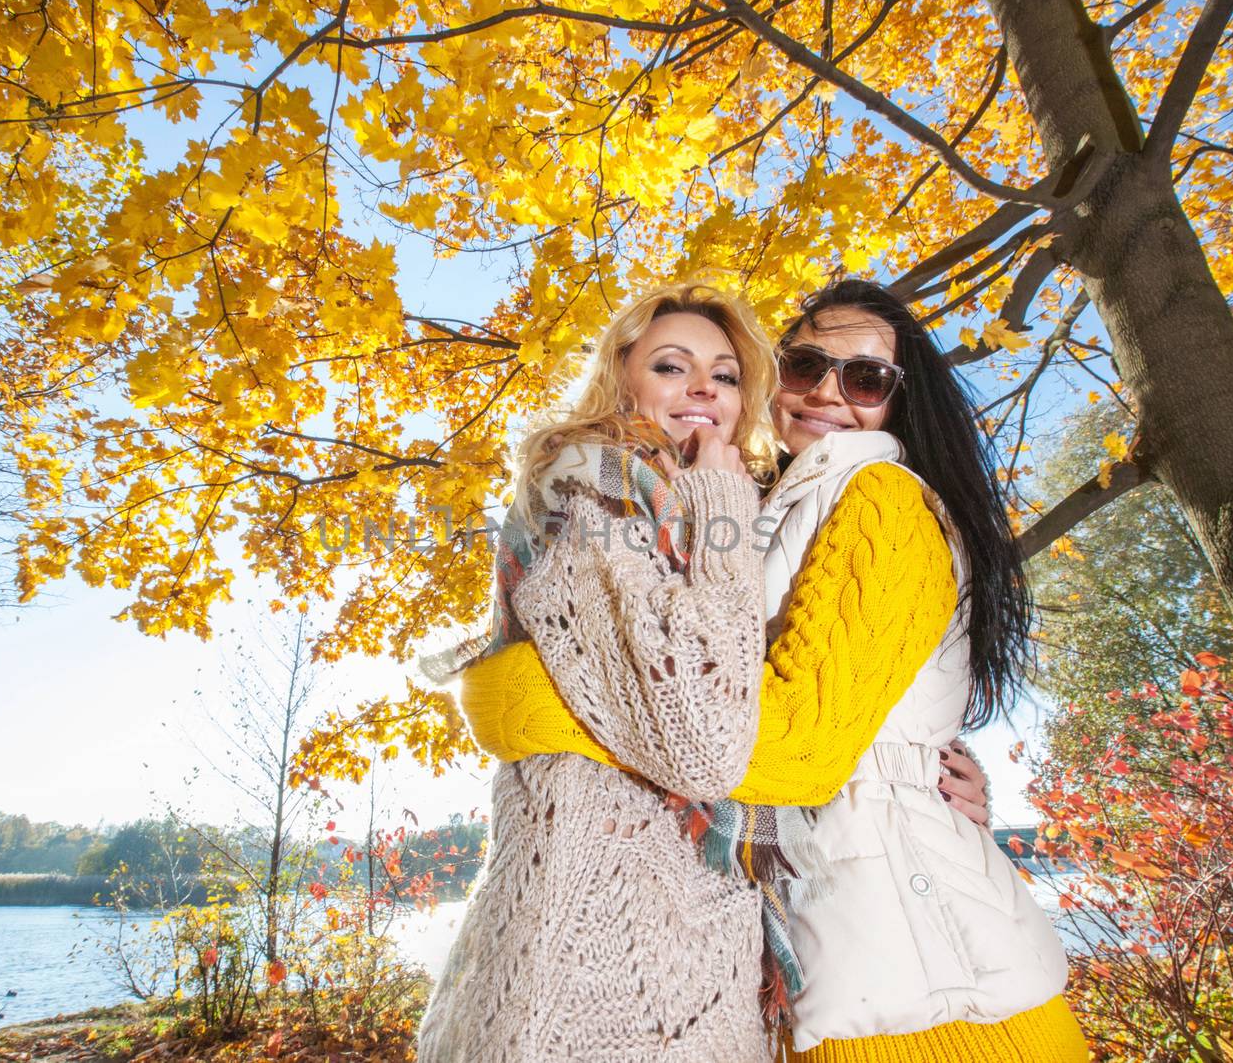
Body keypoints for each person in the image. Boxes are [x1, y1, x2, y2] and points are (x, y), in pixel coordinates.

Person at [458, 280, 1088, 1061]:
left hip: (937, 1007)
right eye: (804, 363)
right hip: (825, 987)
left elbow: (793, 745)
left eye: (864, 378)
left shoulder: (881, 500)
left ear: (900, 402)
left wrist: (531, 698)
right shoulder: (750, 511)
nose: (826, 390)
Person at [416, 282, 783, 1062]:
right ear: (622, 378)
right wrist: (724, 498)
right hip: (593, 965)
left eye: (724, 374)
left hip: (668, 952)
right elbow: (706, 744)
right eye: (672, 365)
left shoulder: (682, 505)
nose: (702, 389)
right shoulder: (593, 492)